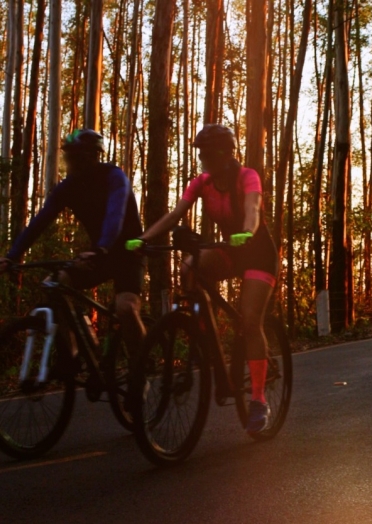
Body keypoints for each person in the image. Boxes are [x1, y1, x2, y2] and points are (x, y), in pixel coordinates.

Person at [126, 124, 279, 434]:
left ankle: (259, 400)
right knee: (188, 268)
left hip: (257, 252)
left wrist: (247, 232)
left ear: (224, 155)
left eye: (207, 154)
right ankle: (202, 330)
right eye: (200, 153)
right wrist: (144, 238)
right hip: (230, 249)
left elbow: (253, 209)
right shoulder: (202, 183)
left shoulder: (246, 176)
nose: (202, 159)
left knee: (250, 321)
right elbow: (175, 215)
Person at [0, 128, 146, 364]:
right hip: (98, 254)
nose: (69, 163)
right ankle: (77, 354)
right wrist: (12, 256)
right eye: (67, 157)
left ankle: (141, 366)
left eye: (74, 157)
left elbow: (114, 216)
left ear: (90, 157)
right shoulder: (68, 187)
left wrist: (101, 247)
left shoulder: (114, 177)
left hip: (127, 254)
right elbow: (39, 223)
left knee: (126, 308)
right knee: (53, 285)